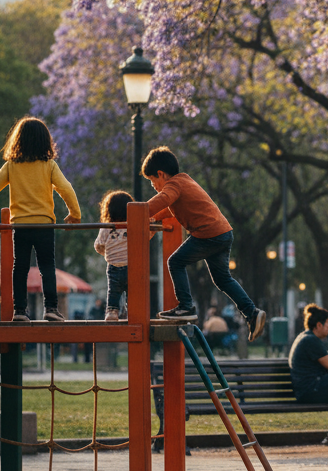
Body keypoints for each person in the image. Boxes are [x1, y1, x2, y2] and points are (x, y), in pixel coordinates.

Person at [142, 146, 266, 341]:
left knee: (175, 262)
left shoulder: (173, 185)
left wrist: (140, 212)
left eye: (152, 181)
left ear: (161, 174)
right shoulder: (185, 181)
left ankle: (185, 307)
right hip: (223, 233)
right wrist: (152, 218)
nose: (153, 187)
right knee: (223, 279)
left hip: (208, 234)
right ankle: (252, 313)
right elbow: (168, 208)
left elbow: (164, 199)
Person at [0, 116, 80, 322]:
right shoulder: (49, 165)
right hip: (44, 223)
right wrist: (75, 214)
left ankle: (19, 311)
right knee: (47, 266)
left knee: (19, 267)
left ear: (17, 140)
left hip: (20, 224)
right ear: (45, 141)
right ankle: (51, 308)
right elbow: (66, 188)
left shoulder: (12, 166)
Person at [93, 190, 133, 321]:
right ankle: (132, 312)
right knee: (132, 290)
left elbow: (98, 245)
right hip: (132, 265)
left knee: (113, 291)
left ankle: (112, 312)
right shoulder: (133, 226)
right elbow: (146, 237)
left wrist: (107, 254)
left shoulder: (107, 227)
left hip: (113, 265)